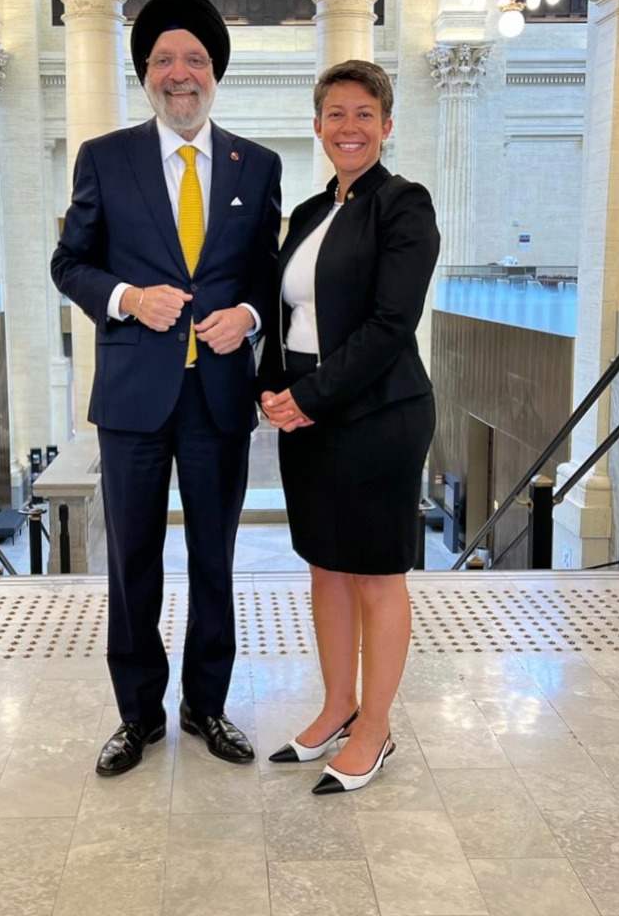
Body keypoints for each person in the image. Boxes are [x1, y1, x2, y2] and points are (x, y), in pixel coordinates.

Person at [52, 0, 282, 776]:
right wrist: (127, 298)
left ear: (214, 72)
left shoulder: (258, 163)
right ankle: (138, 715)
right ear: (145, 73)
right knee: (133, 565)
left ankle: (206, 705)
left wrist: (248, 315)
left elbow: (265, 271)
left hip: (216, 397)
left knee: (215, 560)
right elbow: (70, 263)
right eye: (163, 61)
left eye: (194, 59)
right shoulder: (104, 157)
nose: (179, 74)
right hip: (133, 399)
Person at [258, 60, 439, 795]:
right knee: (326, 566)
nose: (350, 126)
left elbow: (391, 324)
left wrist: (311, 398)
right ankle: (338, 706)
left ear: (387, 126)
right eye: (336, 113)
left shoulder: (402, 205)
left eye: (365, 113)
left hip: (377, 413)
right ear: (317, 126)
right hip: (308, 411)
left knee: (374, 574)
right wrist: (272, 390)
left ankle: (376, 727)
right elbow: (284, 316)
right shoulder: (308, 212)